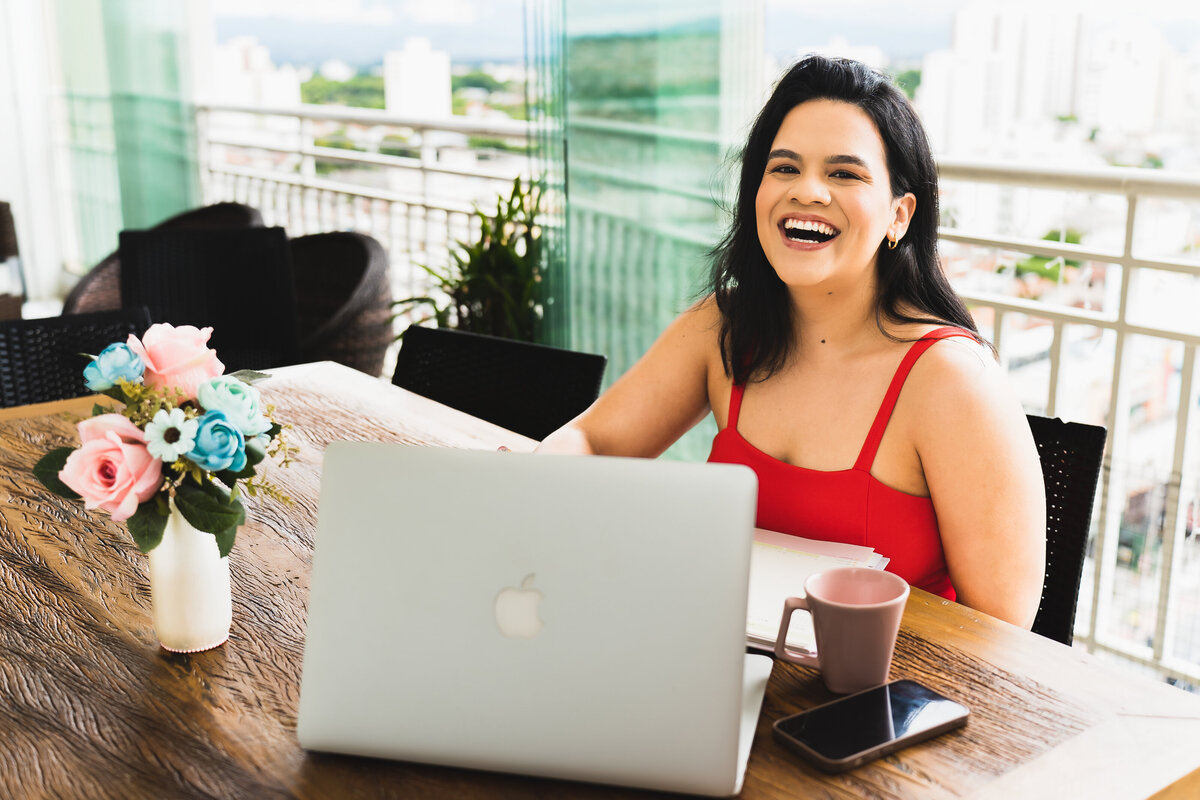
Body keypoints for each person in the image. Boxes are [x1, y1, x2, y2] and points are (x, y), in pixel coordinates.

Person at [537, 55, 1046, 628]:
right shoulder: (723, 327)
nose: (808, 191)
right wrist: (534, 477)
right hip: (716, 669)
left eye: (844, 174)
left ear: (899, 215)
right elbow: (595, 440)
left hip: (874, 699)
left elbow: (1004, 633)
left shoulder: (952, 380)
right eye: (784, 168)